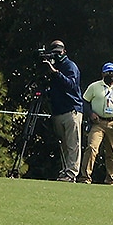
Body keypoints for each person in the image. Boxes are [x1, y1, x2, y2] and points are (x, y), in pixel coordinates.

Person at [80, 62, 113, 185]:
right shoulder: (94, 86)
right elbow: (84, 102)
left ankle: (111, 180)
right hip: (98, 123)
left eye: (112, 73)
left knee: (112, 152)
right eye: (107, 72)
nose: (110, 75)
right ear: (102, 73)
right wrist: (91, 114)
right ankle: (85, 178)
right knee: (92, 148)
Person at [40, 40, 83, 182]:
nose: (57, 55)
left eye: (59, 52)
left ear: (64, 51)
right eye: (54, 53)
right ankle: (65, 171)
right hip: (58, 111)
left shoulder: (70, 66)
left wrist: (55, 72)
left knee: (72, 144)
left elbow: (71, 85)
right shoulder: (53, 66)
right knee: (63, 144)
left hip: (72, 110)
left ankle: (71, 173)